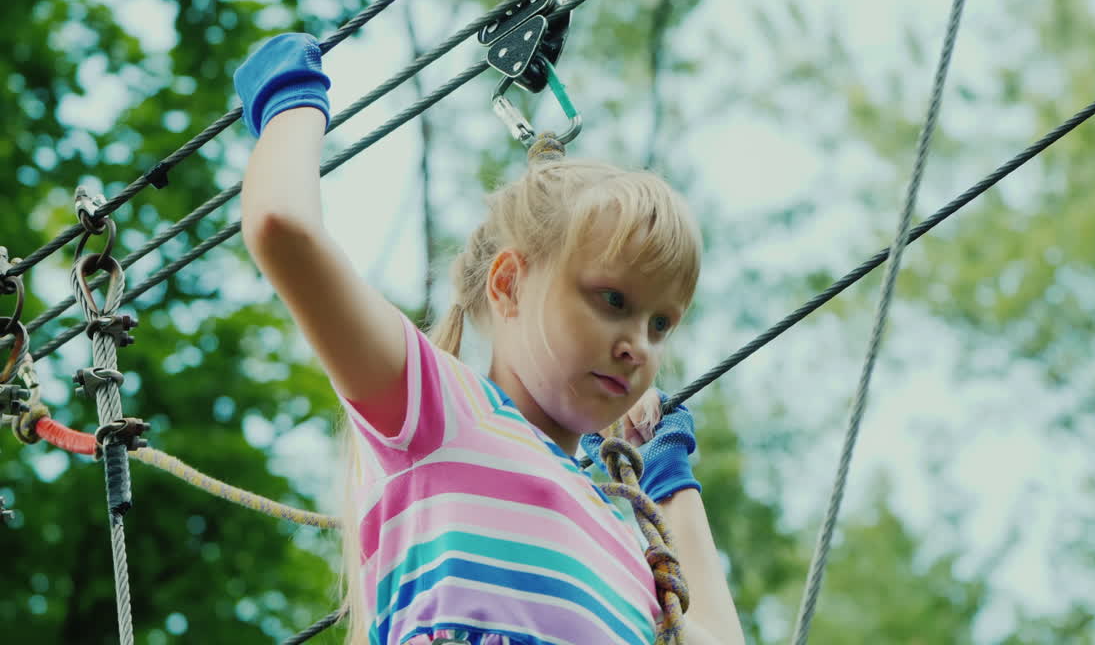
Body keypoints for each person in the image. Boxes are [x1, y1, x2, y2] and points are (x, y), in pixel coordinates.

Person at [235, 33, 745, 645]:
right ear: (509, 285)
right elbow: (282, 226)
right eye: (614, 301)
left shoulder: (622, 548)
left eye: (660, 324)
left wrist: (668, 473)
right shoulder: (441, 412)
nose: (639, 344)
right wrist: (288, 98)